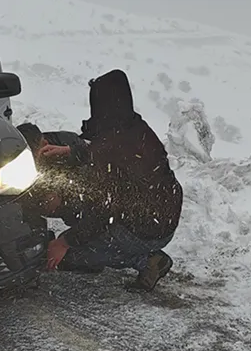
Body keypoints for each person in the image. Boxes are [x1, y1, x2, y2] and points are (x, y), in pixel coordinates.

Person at [44, 69, 183, 291]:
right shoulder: (131, 126)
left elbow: (101, 212)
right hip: (162, 215)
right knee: (81, 209)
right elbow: (110, 151)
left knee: (72, 257)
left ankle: (148, 261)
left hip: (146, 229)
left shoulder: (110, 146)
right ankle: (117, 248)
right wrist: (71, 150)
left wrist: (64, 242)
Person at [16, 122, 91, 223]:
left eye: (34, 156)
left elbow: (89, 170)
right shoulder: (20, 155)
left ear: (44, 144)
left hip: (84, 185)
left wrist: (60, 193)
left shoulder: (67, 144)